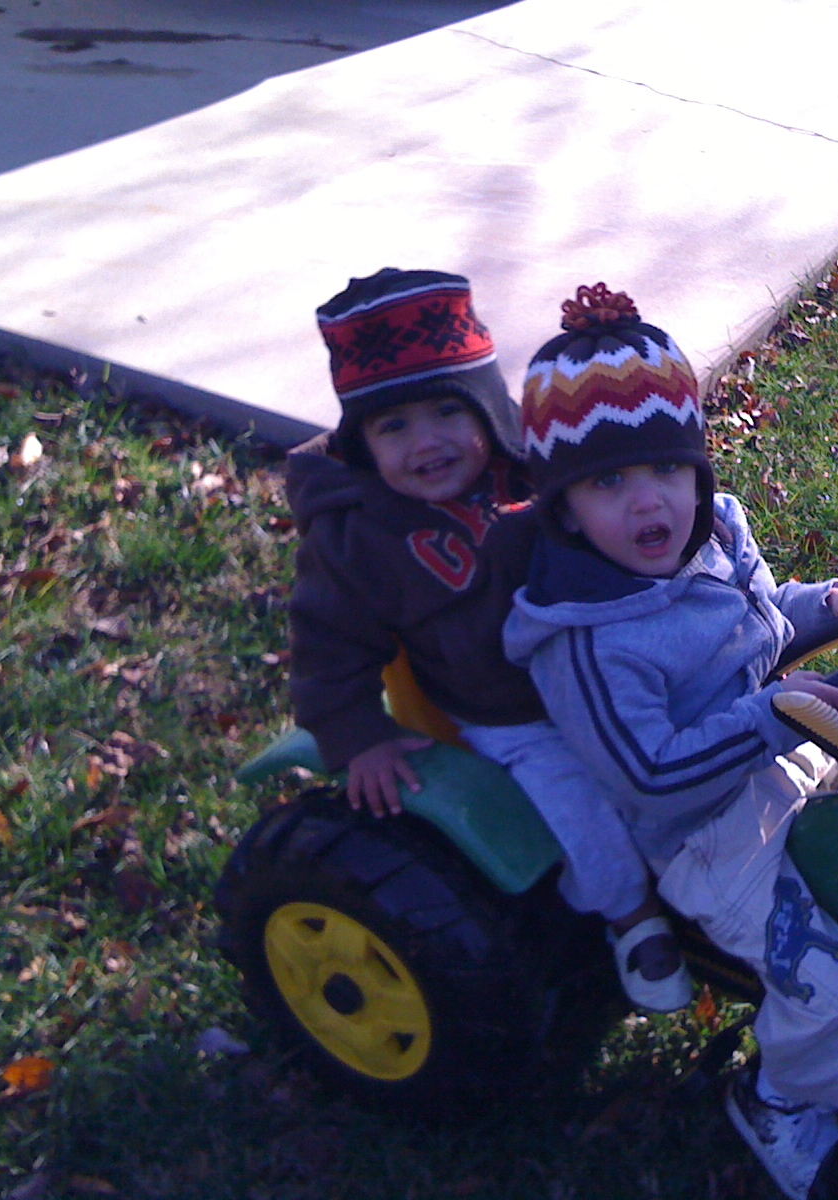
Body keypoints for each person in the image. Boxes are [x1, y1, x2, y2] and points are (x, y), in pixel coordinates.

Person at [504, 283, 838, 1200]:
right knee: (828, 988)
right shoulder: (590, 642)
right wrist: (775, 714)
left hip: (782, 751)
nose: (649, 502)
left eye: (666, 470)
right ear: (564, 509)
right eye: (608, 483)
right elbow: (651, 772)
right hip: (706, 835)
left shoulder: (713, 533)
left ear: (696, 470)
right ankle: (778, 1101)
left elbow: (759, 622)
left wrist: (824, 608)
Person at [286, 268, 689, 1012]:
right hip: (510, 715)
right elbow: (327, 644)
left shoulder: (537, 468)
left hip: (611, 662)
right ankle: (631, 916)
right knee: (582, 809)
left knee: (692, 746)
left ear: (487, 407)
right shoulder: (357, 537)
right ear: (361, 442)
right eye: (393, 426)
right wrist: (357, 735)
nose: (427, 442)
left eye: (448, 410)